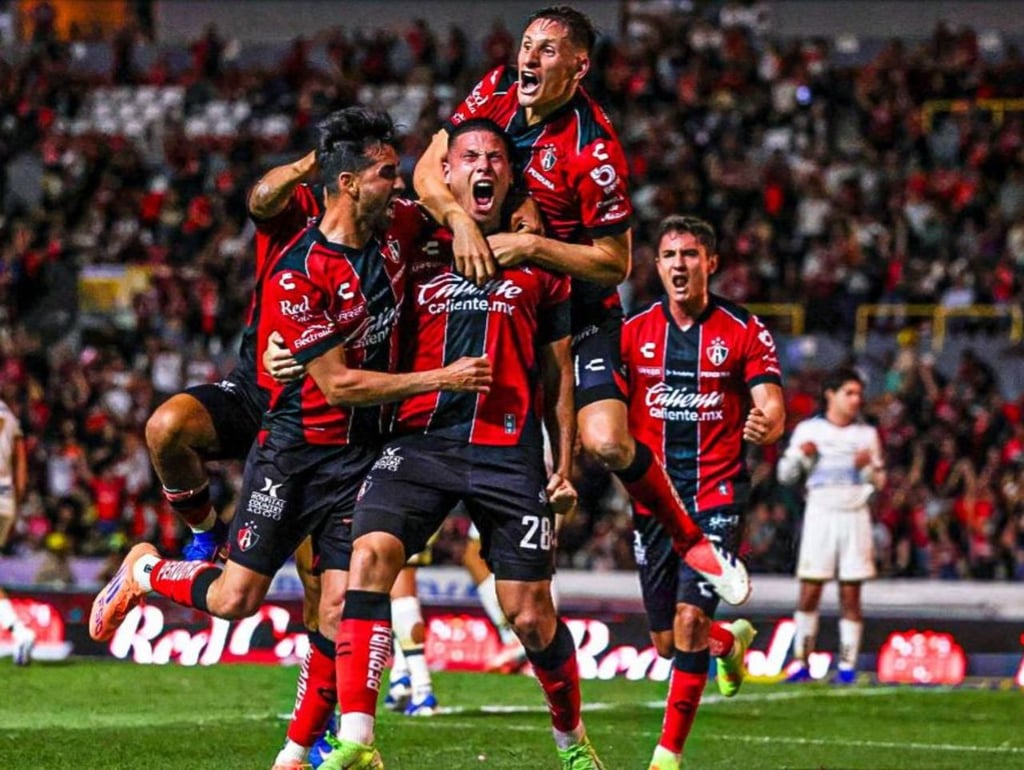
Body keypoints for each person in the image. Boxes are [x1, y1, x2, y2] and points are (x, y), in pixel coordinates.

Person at [88, 107, 491, 769]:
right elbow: (337, 386)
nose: (398, 185)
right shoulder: (298, 266)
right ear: (345, 183)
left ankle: (298, 750)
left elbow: (444, 195)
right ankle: (147, 570)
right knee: (232, 599)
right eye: (385, 173)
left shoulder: (396, 226)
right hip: (294, 445)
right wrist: (441, 378)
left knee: (336, 608)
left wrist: (465, 217)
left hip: (360, 457)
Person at [413, 4, 748, 605]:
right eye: (526, 44)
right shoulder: (493, 90)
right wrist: (461, 222)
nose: (528, 58)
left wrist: (533, 245)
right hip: (504, 299)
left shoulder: (593, 149)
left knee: (608, 444)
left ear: (578, 66)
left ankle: (690, 538)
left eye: (546, 50)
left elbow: (614, 263)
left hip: (581, 306)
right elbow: (426, 170)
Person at [322, 119, 601, 770]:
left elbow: (558, 371)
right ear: (445, 174)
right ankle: (359, 739)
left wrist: (564, 463)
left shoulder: (539, 261)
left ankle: (571, 742)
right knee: (368, 561)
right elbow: (352, 207)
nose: (484, 165)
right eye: (468, 156)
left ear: (509, 177)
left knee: (529, 617)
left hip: (508, 451)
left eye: (496, 158)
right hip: (420, 440)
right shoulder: (413, 238)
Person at [143, 146, 336, 763]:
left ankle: (318, 725)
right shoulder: (300, 207)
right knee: (167, 427)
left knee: (317, 582)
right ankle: (203, 533)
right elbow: (260, 198)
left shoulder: (386, 234)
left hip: (317, 417)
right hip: (256, 391)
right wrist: (310, 165)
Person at [622, 216, 785, 770]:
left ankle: (666, 756)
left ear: (711, 263)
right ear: (656, 265)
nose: (679, 266)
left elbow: (772, 404)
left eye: (690, 255)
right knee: (668, 641)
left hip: (715, 494)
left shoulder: (743, 328)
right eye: (669, 255)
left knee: (688, 623)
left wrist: (767, 421)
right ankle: (728, 642)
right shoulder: (634, 330)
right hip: (653, 502)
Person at [777, 366, 885, 685]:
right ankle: (801, 661)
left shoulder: (866, 435)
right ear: (831, 395)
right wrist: (800, 458)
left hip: (855, 515)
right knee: (810, 589)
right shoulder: (809, 431)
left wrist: (867, 471)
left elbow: (879, 481)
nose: (855, 400)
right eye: (849, 393)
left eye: (858, 395)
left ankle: (847, 666)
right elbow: (785, 476)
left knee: (851, 594)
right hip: (821, 513)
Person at [0, 397, 34, 666]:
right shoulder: (9, 415)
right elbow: (20, 470)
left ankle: (21, 631)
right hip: (6, 500)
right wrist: (16, 506)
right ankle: (20, 632)